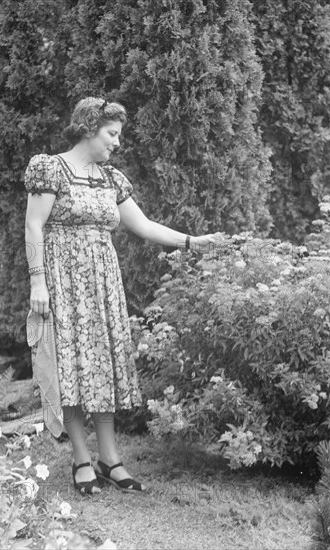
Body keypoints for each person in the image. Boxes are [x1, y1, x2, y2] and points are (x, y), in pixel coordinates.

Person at [24, 96, 223, 496]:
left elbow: (144, 226)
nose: (116, 143)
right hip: (63, 281)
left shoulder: (110, 178)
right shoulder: (51, 168)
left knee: (102, 366)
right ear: (88, 129)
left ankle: (110, 460)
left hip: (103, 285)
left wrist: (191, 241)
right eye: (111, 134)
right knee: (72, 367)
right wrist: (38, 282)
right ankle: (81, 459)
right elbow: (33, 227)